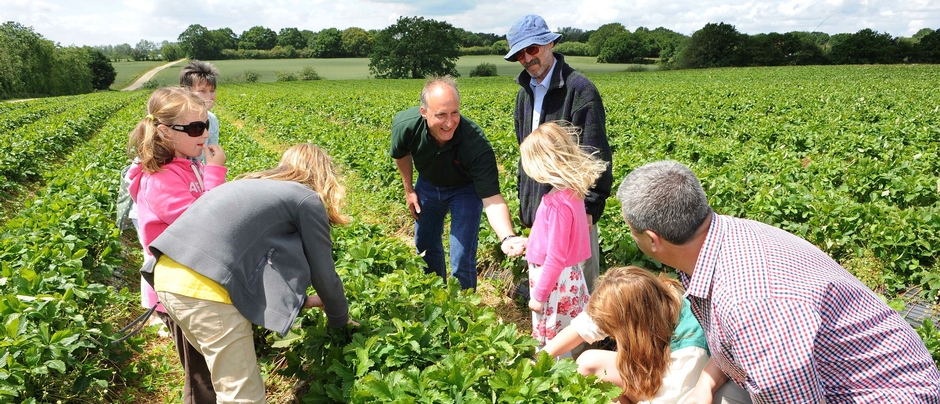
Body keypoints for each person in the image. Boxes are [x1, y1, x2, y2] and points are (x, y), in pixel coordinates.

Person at [616, 160, 940, 403]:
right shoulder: (723, 236)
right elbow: (739, 346)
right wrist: (705, 383)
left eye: (631, 230)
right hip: (824, 379)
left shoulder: (749, 300)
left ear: (653, 240)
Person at [143, 144, 356, 403]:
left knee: (225, 379)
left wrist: (302, 302)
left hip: (168, 279)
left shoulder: (245, 185)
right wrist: (340, 321)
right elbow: (325, 275)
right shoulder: (304, 198)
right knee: (242, 397)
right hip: (206, 291)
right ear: (325, 175)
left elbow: (253, 265)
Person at [127, 86, 227, 403]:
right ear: (166, 132)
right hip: (178, 290)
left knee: (209, 361)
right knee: (200, 374)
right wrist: (214, 173)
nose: (205, 133)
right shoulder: (160, 179)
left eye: (207, 125)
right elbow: (202, 222)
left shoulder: (187, 165)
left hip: (194, 281)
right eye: (196, 128)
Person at [505, 14, 613, 293]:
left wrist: (588, 209)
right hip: (541, 216)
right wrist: (527, 208)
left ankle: (584, 340)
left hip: (574, 215)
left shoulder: (580, 90)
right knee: (548, 296)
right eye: (520, 54)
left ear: (550, 43)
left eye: (532, 49)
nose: (527, 59)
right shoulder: (524, 93)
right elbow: (526, 156)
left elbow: (596, 154)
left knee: (578, 297)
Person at [542, 266, 751, 404]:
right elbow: (582, 328)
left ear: (633, 327)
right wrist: (539, 359)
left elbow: (670, 398)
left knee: (608, 390)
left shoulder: (688, 347)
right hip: (661, 367)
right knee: (588, 362)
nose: (611, 335)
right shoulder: (652, 298)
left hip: (686, 389)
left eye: (614, 331)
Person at [390, 75, 523, 290]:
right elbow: (401, 153)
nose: (450, 122)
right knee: (425, 246)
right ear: (424, 112)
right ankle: (434, 295)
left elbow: (492, 198)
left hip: (465, 191)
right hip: (428, 184)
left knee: (461, 256)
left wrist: (507, 237)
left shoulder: (476, 145)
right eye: (441, 115)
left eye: (455, 113)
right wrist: (409, 190)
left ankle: (464, 308)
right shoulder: (406, 125)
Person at [515, 122, 606, 354]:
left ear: (543, 164)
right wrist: (531, 243)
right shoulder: (573, 194)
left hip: (554, 282)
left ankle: (551, 378)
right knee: (567, 331)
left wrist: (538, 295)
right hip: (570, 276)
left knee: (552, 340)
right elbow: (563, 241)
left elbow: (555, 256)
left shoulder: (557, 204)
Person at [179, 60, 221, 164]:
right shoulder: (177, 120)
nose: (210, 96)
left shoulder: (212, 120)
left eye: (212, 91)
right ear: (185, 91)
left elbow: (210, 156)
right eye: (202, 91)